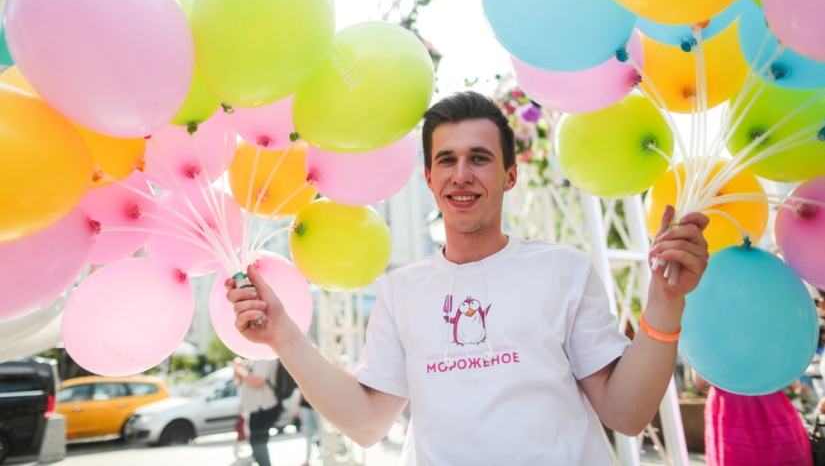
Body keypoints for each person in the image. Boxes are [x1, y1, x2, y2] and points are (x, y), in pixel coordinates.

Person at [225, 91, 710, 464]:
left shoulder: (563, 269)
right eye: (446, 160)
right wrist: (282, 336)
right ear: (429, 179)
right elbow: (368, 422)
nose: (461, 174)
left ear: (510, 175)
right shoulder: (401, 291)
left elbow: (626, 415)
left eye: (479, 158)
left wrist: (665, 301)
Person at [694, 373, 812, 466]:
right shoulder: (772, 341)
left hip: (727, 409)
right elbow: (794, 384)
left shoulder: (711, 342)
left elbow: (699, 381)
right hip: (769, 407)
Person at [234, 358, 280, 466]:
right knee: (257, 445)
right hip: (256, 408)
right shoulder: (253, 359)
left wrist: (242, 372)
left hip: (264, 408)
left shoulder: (264, 358)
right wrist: (239, 371)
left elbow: (259, 381)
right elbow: (239, 381)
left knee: (258, 445)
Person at [295, 388, 320, 466]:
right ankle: (308, 459)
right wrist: (297, 406)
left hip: (317, 406)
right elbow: (301, 389)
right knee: (308, 434)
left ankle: (321, 456)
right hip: (305, 406)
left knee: (320, 432)